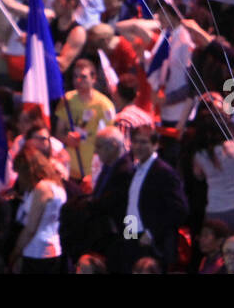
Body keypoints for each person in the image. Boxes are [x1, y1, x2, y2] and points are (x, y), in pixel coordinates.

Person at [117, 123, 188, 270]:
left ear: (155, 145)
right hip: (132, 236)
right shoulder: (134, 170)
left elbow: (179, 210)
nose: (138, 146)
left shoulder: (164, 172)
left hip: (152, 242)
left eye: (143, 142)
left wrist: (151, 232)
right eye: (135, 142)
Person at [54, 58, 116, 180]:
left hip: (92, 170)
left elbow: (110, 139)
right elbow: (58, 133)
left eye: (83, 77)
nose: (78, 81)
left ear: (93, 79)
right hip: (68, 169)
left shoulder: (104, 105)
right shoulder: (67, 100)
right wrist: (67, 138)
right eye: (75, 76)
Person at [10, 145, 67, 273]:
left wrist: (16, 252)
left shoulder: (42, 189)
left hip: (36, 250)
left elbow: (31, 228)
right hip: (54, 247)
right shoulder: (57, 185)